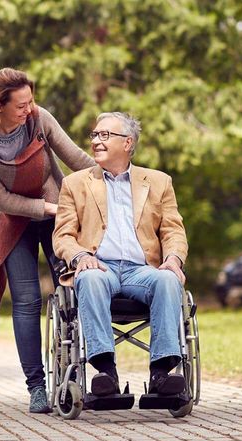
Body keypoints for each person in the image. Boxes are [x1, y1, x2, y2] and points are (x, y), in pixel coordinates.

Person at [0, 68, 94, 413]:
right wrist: (47, 208)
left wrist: (116, 178)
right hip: (16, 220)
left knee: (71, 290)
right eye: (20, 105)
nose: (29, 109)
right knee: (26, 302)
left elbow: (76, 160)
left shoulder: (39, 119)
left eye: (30, 101)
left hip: (56, 213)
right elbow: (0, 199)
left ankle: (80, 373)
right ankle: (37, 388)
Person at [52, 112, 188, 397]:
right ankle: (105, 372)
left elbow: (173, 231)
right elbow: (63, 235)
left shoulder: (159, 182)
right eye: (95, 135)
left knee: (168, 280)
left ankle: (162, 374)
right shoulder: (75, 184)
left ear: (127, 143)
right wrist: (79, 257)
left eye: (105, 135)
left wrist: (173, 259)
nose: (96, 141)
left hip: (142, 270)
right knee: (89, 278)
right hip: (99, 267)